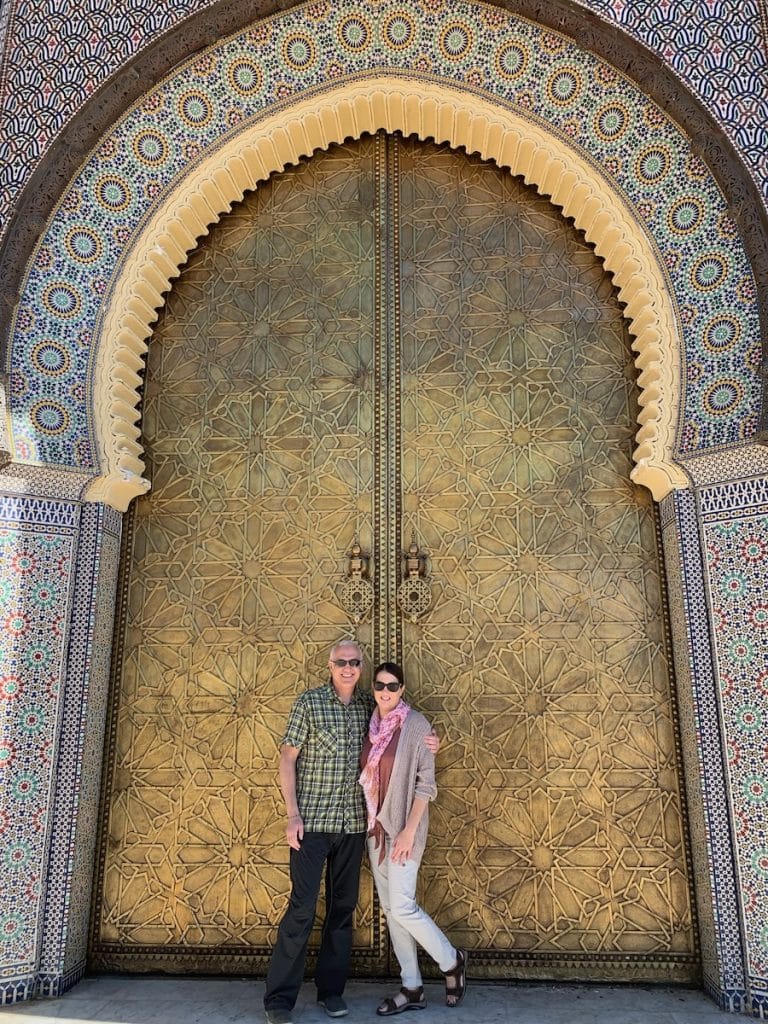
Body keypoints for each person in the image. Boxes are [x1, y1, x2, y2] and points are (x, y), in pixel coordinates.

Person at [263, 640, 438, 1024]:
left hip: (354, 827)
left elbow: (405, 731)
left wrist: (433, 742)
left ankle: (331, 992)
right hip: (311, 825)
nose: (348, 668)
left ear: (361, 667)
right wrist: (292, 814)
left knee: (342, 911)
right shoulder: (309, 703)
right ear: (330, 664)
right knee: (302, 910)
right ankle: (278, 1000)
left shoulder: (369, 708)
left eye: (354, 662)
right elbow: (287, 758)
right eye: (341, 661)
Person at [359, 661, 467, 1016]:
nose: (385, 692)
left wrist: (407, 831)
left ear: (402, 689)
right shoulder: (370, 725)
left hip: (404, 831)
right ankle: (412, 987)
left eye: (392, 686)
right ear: (373, 688)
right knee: (392, 910)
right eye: (379, 686)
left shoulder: (416, 725)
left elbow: (426, 784)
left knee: (403, 905)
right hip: (376, 830)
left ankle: (451, 962)